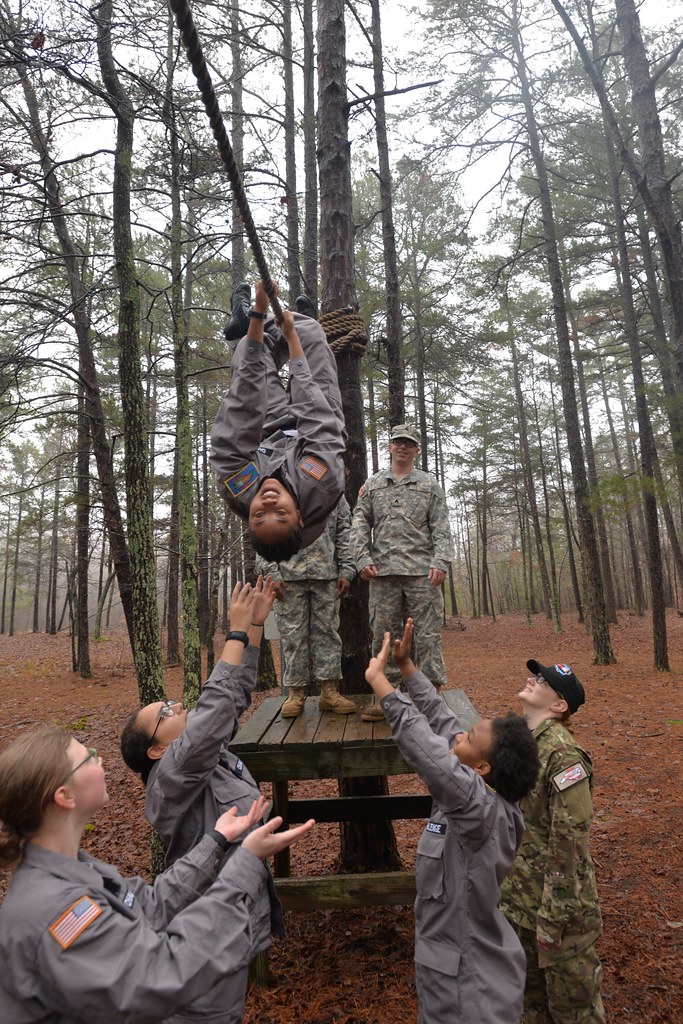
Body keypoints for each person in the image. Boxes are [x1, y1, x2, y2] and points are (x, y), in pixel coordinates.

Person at [0, 726, 314, 1024]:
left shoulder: (75, 869)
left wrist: (217, 840)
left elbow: (151, 906)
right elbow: (159, 974)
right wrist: (245, 863)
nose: (100, 759)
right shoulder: (59, 911)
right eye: (88, 757)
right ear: (64, 796)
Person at [120, 578, 282, 1023]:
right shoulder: (170, 777)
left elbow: (233, 697)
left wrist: (254, 629)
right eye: (164, 714)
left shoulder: (203, 755)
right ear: (155, 750)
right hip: (200, 922)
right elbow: (212, 713)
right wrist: (233, 631)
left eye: (169, 702)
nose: (174, 705)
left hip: (230, 913)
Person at [364, 619, 540, 1024]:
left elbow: (426, 749)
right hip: (446, 968)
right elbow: (442, 722)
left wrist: (382, 686)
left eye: (470, 737)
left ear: (481, 767)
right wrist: (408, 668)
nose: (458, 736)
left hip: (470, 987)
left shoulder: (477, 809)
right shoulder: (478, 791)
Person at [500, 660, 606, 1024]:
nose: (532, 678)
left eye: (544, 680)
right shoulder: (525, 744)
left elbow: (570, 844)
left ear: (559, 705)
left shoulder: (563, 756)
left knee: (574, 1015)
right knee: (530, 1011)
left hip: (561, 923)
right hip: (522, 909)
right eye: (534, 674)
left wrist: (553, 920)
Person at [210, 280, 347, 562]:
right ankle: (305, 321)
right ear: (299, 517)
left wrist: (259, 314)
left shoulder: (236, 484)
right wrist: (294, 340)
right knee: (309, 332)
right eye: (280, 512)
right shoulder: (323, 483)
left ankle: (245, 318)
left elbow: (242, 405)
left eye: (260, 514)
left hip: (267, 432)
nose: (269, 503)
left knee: (249, 347)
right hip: (320, 423)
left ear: (249, 517)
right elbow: (315, 415)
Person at [351, 423, 454, 721]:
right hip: (382, 573)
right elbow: (359, 524)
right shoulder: (372, 485)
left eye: (409, 443)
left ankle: (431, 697)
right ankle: (386, 696)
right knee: (384, 636)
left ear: (416, 449)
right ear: (390, 446)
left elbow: (441, 527)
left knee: (428, 636)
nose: (403, 447)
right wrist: (361, 557)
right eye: (398, 442)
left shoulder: (429, 485)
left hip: (423, 573)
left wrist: (440, 562)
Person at [256, 494, 356, 717]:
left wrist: (347, 569)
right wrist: (271, 572)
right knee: (293, 637)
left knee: (328, 633)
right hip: (287, 577)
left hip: (326, 574)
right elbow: (263, 529)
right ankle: (295, 693)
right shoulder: (278, 489)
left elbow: (345, 531)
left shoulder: (331, 490)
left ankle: (329, 693)